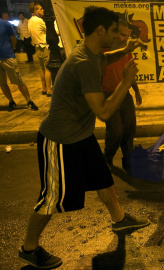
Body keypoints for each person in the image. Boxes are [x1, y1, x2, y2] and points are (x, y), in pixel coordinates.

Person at [18, 6, 149, 269]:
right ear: (100, 30)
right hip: (60, 140)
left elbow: (105, 59)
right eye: (114, 31)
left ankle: (120, 219)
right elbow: (103, 112)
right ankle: (29, 248)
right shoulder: (84, 62)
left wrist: (125, 50)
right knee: (52, 197)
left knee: (102, 176)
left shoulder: (89, 53)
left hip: (80, 135)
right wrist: (126, 82)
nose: (117, 35)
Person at [102, 19, 142, 172]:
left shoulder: (126, 50)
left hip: (124, 94)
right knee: (115, 131)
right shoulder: (101, 52)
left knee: (129, 129)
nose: (126, 38)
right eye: (122, 35)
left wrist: (136, 90)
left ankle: (128, 160)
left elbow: (130, 72)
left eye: (127, 35)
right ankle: (107, 157)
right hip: (107, 95)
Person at [1, 12, 38, 111]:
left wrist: (12, 48)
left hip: (7, 56)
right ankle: (11, 101)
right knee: (2, 83)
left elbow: (13, 38)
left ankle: (29, 101)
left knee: (18, 80)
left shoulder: (5, 24)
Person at [28, 2, 52, 96]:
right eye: (41, 9)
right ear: (35, 10)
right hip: (44, 45)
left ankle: (44, 88)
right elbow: (50, 31)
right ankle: (49, 90)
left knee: (42, 68)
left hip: (37, 46)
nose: (43, 10)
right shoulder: (39, 21)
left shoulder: (30, 20)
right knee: (48, 68)